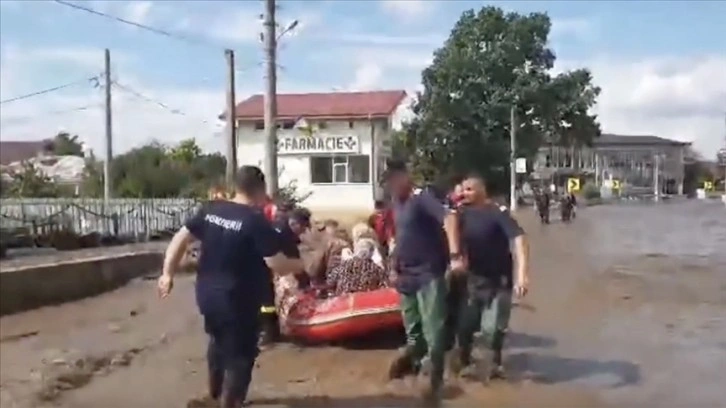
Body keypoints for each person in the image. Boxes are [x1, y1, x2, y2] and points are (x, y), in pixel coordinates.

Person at [157, 165, 303, 408]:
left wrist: (167, 274)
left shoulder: (210, 210)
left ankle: (214, 394)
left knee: (218, 339)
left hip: (206, 295)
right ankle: (230, 402)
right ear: (261, 189)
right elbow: (277, 264)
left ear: (235, 186)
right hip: (238, 299)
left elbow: (180, 238)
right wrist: (300, 264)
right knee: (241, 354)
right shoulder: (255, 221)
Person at [384, 160, 464, 404]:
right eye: (388, 181)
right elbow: (399, 237)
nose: (392, 185)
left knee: (434, 330)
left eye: (396, 178)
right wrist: (392, 266)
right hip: (406, 274)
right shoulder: (397, 203)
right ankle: (415, 366)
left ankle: (434, 381)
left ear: (406, 176)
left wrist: (454, 256)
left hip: (429, 273)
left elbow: (449, 218)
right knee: (413, 332)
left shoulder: (422, 197)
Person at [449, 173, 530, 382]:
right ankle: (464, 363)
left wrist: (522, 275)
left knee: (491, 329)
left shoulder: (498, 213)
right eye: (462, 189)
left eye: (469, 189)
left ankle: (495, 363)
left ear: (481, 190)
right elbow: (447, 234)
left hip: (499, 280)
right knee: (465, 327)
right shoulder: (460, 214)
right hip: (471, 280)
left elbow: (519, 239)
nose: (463, 193)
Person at [259, 207, 310, 347]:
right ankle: (267, 335)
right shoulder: (283, 233)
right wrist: (305, 282)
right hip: (260, 265)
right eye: (303, 227)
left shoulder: (283, 228)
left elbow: (294, 257)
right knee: (266, 301)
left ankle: (271, 332)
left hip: (265, 264)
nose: (304, 232)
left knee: (267, 298)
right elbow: (293, 259)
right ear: (296, 223)